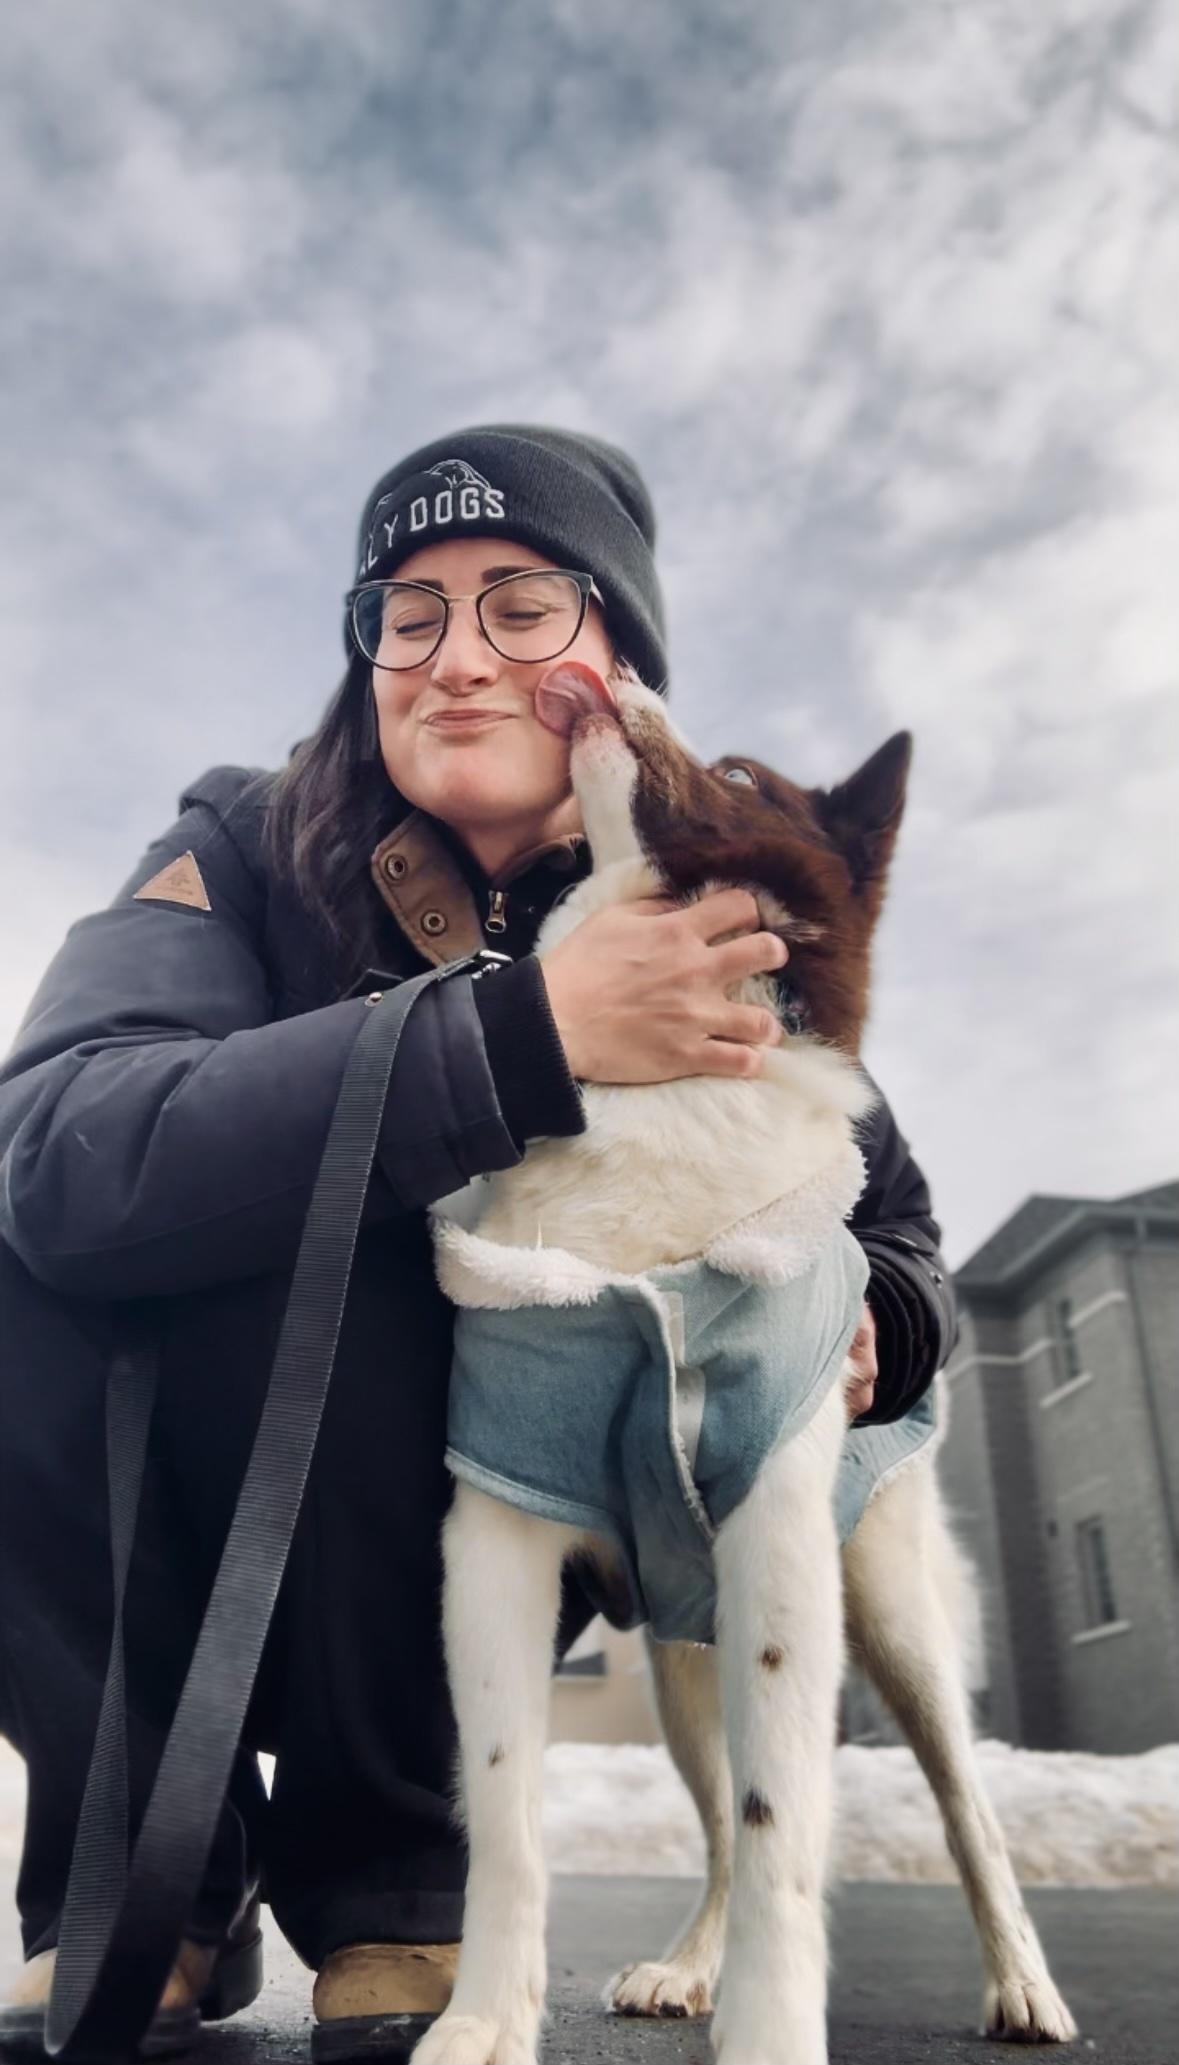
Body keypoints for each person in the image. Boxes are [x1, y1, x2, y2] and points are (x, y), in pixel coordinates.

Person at [0, 426, 955, 2057]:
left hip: (543, 1484)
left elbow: (892, 1216)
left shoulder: (711, 871)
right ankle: (142, 1873)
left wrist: (889, 1320)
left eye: (521, 604)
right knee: (51, 1252)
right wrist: (519, 1036)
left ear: (618, 658)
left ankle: (399, 1883)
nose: (456, 660)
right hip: (214, 1473)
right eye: (408, 612)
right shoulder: (235, 847)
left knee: (444, 1231)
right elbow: (60, 1143)